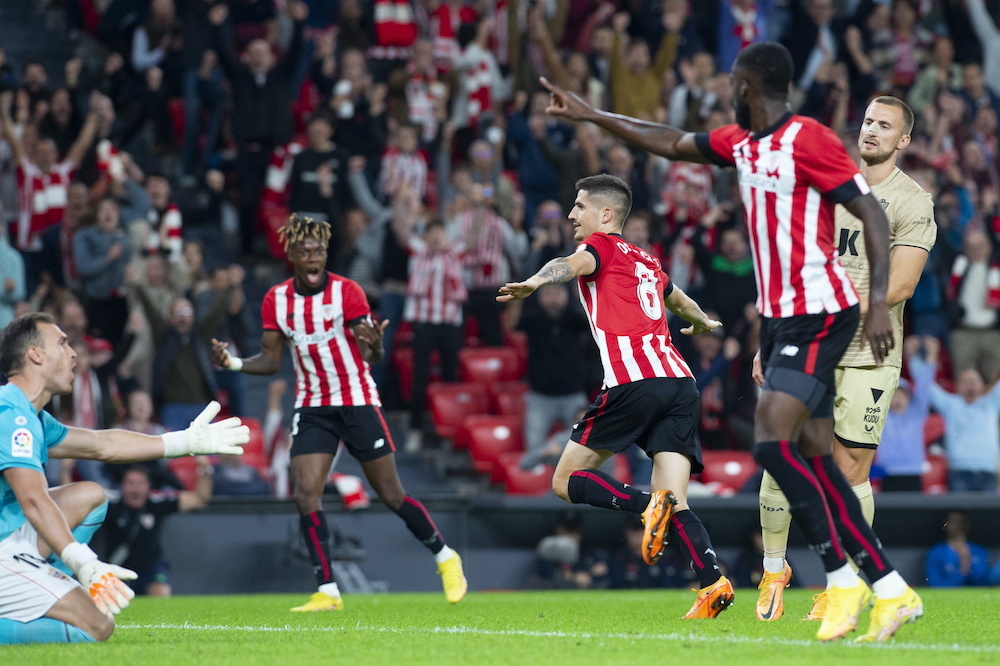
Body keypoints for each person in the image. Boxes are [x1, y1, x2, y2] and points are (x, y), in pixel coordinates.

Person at [537, 42, 919, 642]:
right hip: (784, 318)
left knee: (772, 447)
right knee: (815, 462)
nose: (725, 94)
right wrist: (593, 115)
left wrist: (875, 305)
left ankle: (846, 583)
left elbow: (869, 213)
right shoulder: (743, 145)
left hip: (823, 311)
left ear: (748, 86)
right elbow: (667, 138)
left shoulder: (809, 140)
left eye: (731, 84)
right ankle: (883, 591)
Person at [497, 174, 734, 619]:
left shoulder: (601, 247)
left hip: (634, 381)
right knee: (678, 497)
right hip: (680, 385)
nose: (571, 214)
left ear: (606, 215)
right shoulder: (646, 258)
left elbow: (567, 265)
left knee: (565, 482)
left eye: (579, 205)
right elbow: (675, 296)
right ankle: (713, 582)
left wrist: (533, 283)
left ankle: (647, 506)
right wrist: (701, 321)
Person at [210, 214, 467, 612]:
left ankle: (445, 557)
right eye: (306, 251)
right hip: (313, 405)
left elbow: (369, 350)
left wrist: (378, 348)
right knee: (305, 493)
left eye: (320, 251)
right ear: (291, 254)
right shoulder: (276, 300)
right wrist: (233, 364)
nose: (314, 257)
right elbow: (270, 359)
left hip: (357, 399)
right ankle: (327, 591)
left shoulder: (347, 292)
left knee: (391, 494)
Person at [754, 96, 936, 622]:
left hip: (867, 355)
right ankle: (773, 569)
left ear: (903, 140)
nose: (872, 131)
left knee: (849, 467)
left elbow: (900, 284)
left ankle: (844, 584)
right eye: (868, 122)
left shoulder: (911, 202)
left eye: (885, 126)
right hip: (807, 341)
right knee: (778, 448)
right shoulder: (824, 187)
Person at [0, 312, 248, 644]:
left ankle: (44, 581)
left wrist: (183, 442)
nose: (74, 353)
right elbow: (32, 499)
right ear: (35, 354)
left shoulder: (29, 415)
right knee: (96, 628)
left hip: (10, 537)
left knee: (91, 495)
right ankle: (42, 587)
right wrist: (85, 561)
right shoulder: (12, 416)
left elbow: (102, 444)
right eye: (62, 343)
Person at [99, 463, 213, 597]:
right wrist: (66, 469)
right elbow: (73, 502)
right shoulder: (111, 506)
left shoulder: (156, 504)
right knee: (110, 600)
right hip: (117, 567)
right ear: (122, 486)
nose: (135, 489)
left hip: (151, 568)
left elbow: (199, 498)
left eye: (141, 483)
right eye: (130, 483)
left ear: (149, 486)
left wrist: (205, 468)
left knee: (160, 591)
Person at [925, 510, 994, 587]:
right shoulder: (936, 552)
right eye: (955, 522)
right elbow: (935, 585)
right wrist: (962, 567)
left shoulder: (979, 551)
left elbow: (984, 583)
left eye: (963, 522)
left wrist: (966, 558)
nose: (959, 525)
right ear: (946, 525)